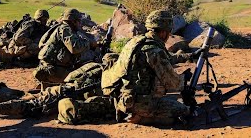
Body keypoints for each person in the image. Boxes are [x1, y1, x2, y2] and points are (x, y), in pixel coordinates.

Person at [58, 9, 195, 125]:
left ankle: (130, 112)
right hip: (140, 103)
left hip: (124, 96)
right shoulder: (154, 51)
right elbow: (173, 83)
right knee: (183, 110)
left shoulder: (136, 41)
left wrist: (185, 56)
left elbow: (166, 58)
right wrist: (184, 79)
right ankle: (140, 117)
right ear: (164, 32)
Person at [33, 8, 98, 84]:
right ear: (73, 21)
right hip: (52, 69)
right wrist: (88, 43)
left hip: (52, 66)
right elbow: (74, 48)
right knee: (85, 77)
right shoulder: (64, 29)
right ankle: (49, 79)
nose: (80, 24)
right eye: (79, 21)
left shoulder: (63, 28)